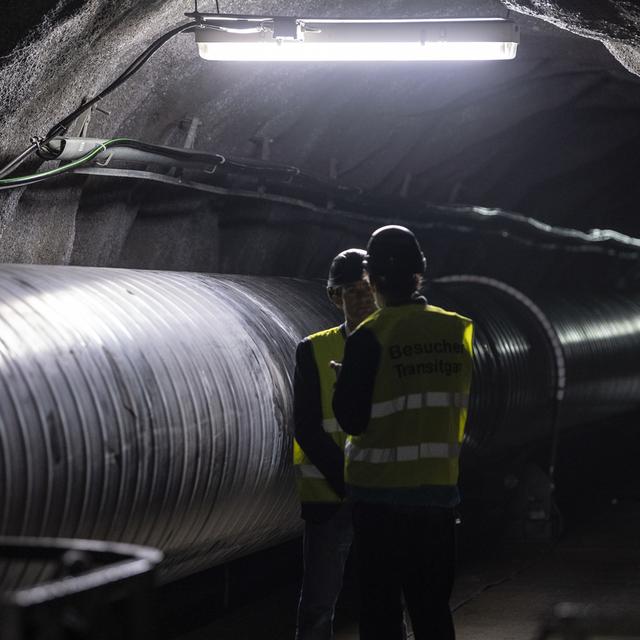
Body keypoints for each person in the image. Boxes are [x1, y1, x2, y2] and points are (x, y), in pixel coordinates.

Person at [333, 225, 474, 640]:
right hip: (438, 495)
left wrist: (348, 381)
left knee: (380, 613)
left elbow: (352, 419)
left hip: (380, 500)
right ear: (419, 276)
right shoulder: (456, 329)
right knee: (431, 609)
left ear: (373, 281)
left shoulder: (369, 337)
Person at [293, 248, 377, 640]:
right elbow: (307, 427)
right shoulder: (313, 349)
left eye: (369, 289)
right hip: (331, 497)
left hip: (382, 496)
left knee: (384, 600)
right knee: (317, 607)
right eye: (352, 291)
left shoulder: (394, 346)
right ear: (335, 297)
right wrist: (349, 484)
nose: (363, 299)